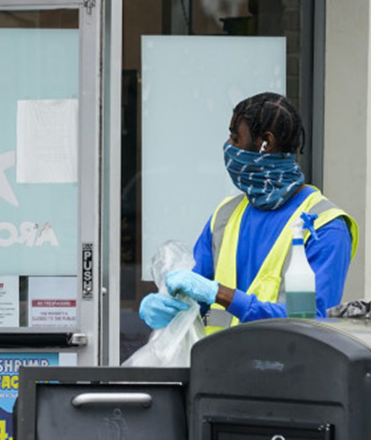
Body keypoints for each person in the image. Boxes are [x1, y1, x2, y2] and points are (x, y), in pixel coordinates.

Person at [140, 92, 359, 332]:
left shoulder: (325, 226)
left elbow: (314, 321)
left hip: (287, 368)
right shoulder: (225, 216)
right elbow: (196, 302)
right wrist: (168, 309)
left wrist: (221, 294)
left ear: (266, 142)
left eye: (236, 137)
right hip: (220, 366)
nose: (228, 146)